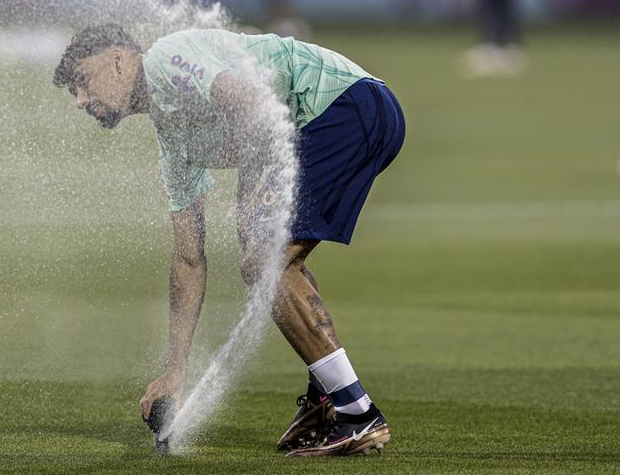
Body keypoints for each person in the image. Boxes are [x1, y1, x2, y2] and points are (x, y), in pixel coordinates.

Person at [53, 24, 405, 457]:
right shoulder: (173, 144)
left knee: (264, 261)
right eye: (74, 94)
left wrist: (254, 204)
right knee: (266, 261)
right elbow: (188, 259)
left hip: (345, 107)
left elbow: (251, 103)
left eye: (83, 83)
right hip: (349, 114)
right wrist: (175, 371)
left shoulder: (165, 60)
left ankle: (357, 415)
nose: (82, 101)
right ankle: (326, 399)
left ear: (118, 60)